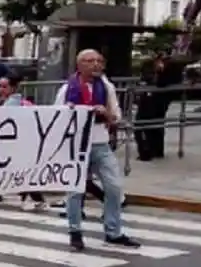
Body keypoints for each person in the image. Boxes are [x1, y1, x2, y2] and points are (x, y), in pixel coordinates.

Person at [54, 49, 141, 251]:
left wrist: (106, 112)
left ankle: (113, 232)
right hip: (76, 145)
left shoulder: (106, 87)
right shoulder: (67, 89)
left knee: (114, 187)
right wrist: (69, 111)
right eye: (90, 61)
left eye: (99, 61)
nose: (96, 65)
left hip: (100, 143)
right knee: (75, 191)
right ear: (79, 65)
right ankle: (75, 231)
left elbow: (117, 117)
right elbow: (55, 118)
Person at [0, 73, 48, 212]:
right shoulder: (8, 102)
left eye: (4, 86)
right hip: (17, 142)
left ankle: (34, 198)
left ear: (13, 87)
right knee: (21, 172)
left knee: (21, 172)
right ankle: (30, 198)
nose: (1, 89)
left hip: (16, 143)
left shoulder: (13, 103)